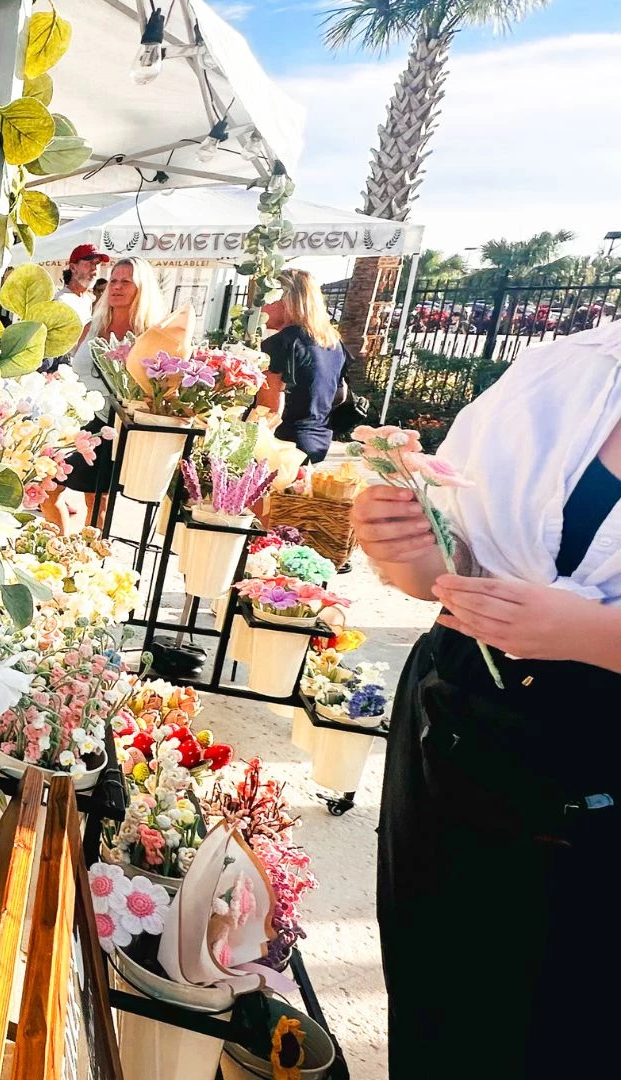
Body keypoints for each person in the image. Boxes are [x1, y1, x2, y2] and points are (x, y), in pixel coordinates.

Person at [353, 319, 621, 1077]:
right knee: (437, 999)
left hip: (598, 773)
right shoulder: (562, 371)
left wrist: (595, 636)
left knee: (563, 1028)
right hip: (453, 727)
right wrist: (407, 547)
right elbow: (451, 573)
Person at [51, 256, 168, 531]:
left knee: (97, 503)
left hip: (110, 425)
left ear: (142, 288)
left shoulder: (149, 336)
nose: (116, 287)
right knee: (46, 490)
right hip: (72, 422)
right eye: (114, 280)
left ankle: (89, 562)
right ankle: (62, 550)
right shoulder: (92, 325)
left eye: (126, 281)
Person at [255, 269, 346, 464]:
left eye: (266, 298)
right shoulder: (334, 344)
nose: (260, 307)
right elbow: (339, 395)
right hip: (319, 441)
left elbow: (268, 411)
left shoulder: (280, 344)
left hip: (285, 445)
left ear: (285, 301)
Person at [53, 244, 107, 324]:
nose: (94, 268)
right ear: (73, 268)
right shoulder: (60, 301)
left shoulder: (87, 300)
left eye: (97, 263)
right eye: (90, 263)